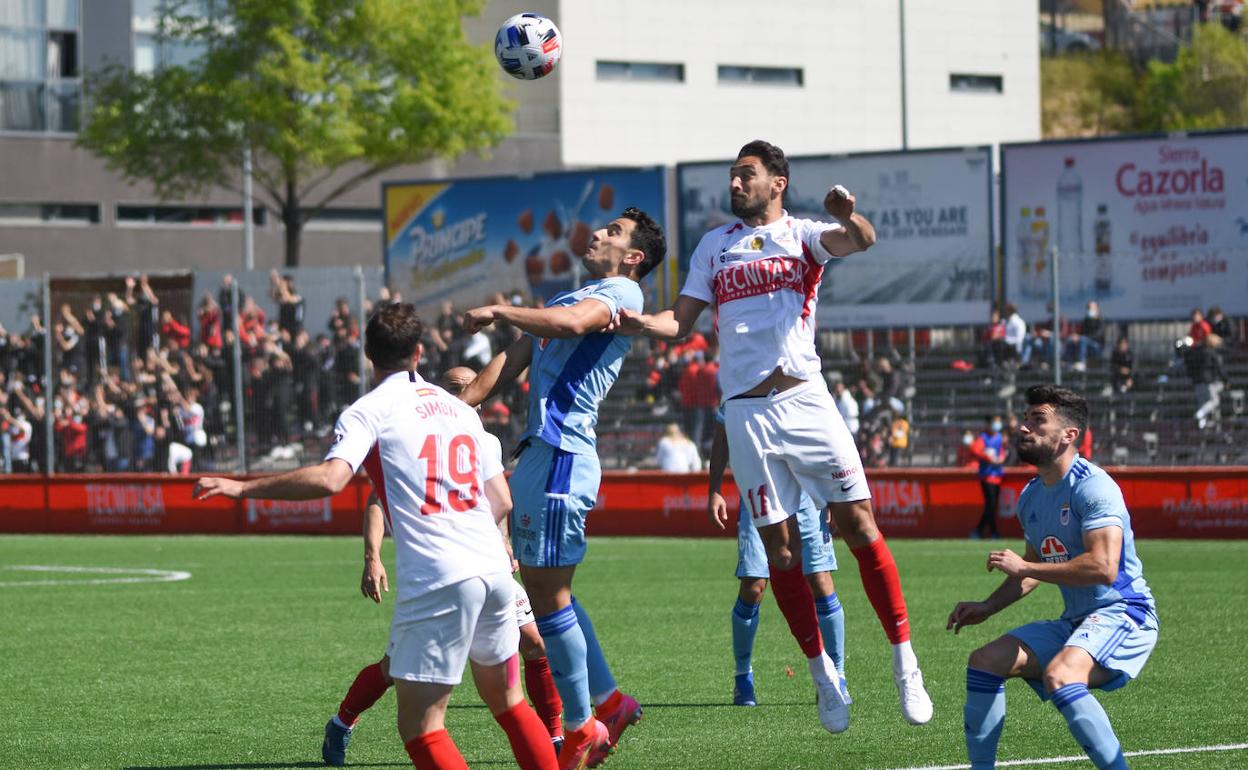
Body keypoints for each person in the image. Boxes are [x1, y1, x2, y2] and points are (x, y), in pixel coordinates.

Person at [615, 140, 932, 727]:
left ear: (777, 183)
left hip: (807, 401)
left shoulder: (805, 235)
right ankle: (823, 677)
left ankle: (904, 661)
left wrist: (845, 215)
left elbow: (861, 239)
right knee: (781, 550)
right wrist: (634, 320)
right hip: (746, 414)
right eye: (733, 176)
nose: (735, 184)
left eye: (747, 175)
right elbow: (678, 324)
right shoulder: (715, 245)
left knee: (860, 524)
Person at [194, 303, 557, 770]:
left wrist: (242, 487)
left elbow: (330, 479)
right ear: (420, 351)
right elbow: (501, 502)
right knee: (510, 704)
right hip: (494, 568)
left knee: (423, 728)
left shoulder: (368, 411)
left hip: (441, 576)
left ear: (368, 354)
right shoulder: (458, 408)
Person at [459, 207, 666, 769]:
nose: (598, 233)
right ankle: (608, 705)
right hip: (542, 459)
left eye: (614, 232)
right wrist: (450, 406)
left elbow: (574, 326)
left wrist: (502, 308)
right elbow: (508, 364)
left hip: (562, 457)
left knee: (549, 600)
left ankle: (583, 729)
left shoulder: (624, 294)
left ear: (633, 258)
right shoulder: (568, 299)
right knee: (554, 596)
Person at [318, 366, 566, 767]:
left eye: (467, 388)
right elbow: (378, 500)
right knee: (393, 671)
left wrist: (502, 540)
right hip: (445, 568)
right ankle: (342, 722)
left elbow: (499, 500)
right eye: (452, 388)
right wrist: (372, 556)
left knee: (534, 644)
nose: (460, 394)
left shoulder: (482, 437)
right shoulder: (415, 430)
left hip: (485, 565)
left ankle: (554, 734)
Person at [947, 385, 1158, 770]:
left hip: (1125, 614)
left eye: (1037, 420)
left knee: (1060, 675)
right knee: (984, 661)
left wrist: (1027, 568)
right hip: (1077, 621)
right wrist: (989, 606)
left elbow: (1103, 567)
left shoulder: (1094, 487)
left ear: (1068, 435)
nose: (1024, 427)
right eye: (1026, 418)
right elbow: (1031, 567)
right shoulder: (1031, 496)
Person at [706, 413, 848, 729]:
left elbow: (830, 438)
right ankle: (743, 676)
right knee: (754, 586)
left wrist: (836, 493)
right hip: (758, 494)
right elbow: (723, 432)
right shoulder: (741, 375)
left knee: (820, 581)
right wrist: (715, 488)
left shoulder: (803, 377)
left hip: (808, 492)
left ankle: (836, 676)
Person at [970, 415, 1005, 539]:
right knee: (990, 504)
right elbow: (975, 450)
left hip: (998, 475)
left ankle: (986, 531)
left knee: (992, 505)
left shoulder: (1000, 437)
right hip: (987, 475)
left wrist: (1001, 458)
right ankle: (986, 531)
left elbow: (1002, 451)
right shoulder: (983, 438)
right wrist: (988, 458)